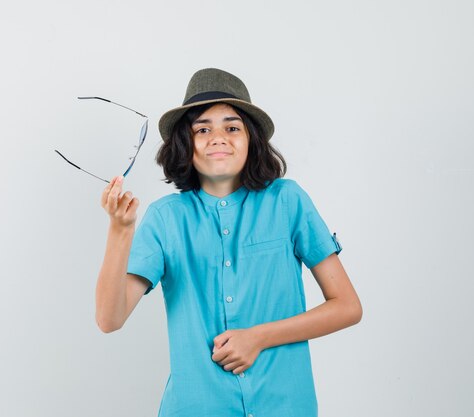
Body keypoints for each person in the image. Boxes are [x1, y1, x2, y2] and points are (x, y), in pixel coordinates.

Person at [95, 68, 362, 417]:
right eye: (202, 129)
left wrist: (258, 336)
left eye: (231, 127)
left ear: (251, 139)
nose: (217, 137)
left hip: (285, 405)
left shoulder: (288, 201)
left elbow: (347, 306)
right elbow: (109, 319)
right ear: (185, 144)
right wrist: (119, 230)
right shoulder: (165, 218)